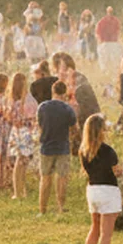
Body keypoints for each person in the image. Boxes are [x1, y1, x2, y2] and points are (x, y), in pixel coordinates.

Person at [80, 114, 121, 244]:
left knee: (94, 229)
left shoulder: (83, 151)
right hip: (108, 191)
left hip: (92, 190)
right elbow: (117, 172)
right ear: (101, 130)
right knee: (106, 234)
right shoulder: (108, 151)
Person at [37, 81, 78, 215]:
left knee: (45, 178)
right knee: (62, 178)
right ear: (64, 92)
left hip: (46, 147)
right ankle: (60, 207)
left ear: (53, 91)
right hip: (62, 147)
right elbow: (74, 128)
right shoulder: (67, 109)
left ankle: (42, 209)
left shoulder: (42, 107)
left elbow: (40, 126)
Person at [8, 72, 40, 199]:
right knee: (27, 162)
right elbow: (33, 117)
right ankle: (23, 191)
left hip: (16, 131)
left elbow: (10, 117)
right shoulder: (28, 100)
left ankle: (19, 191)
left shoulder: (12, 100)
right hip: (27, 132)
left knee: (20, 162)